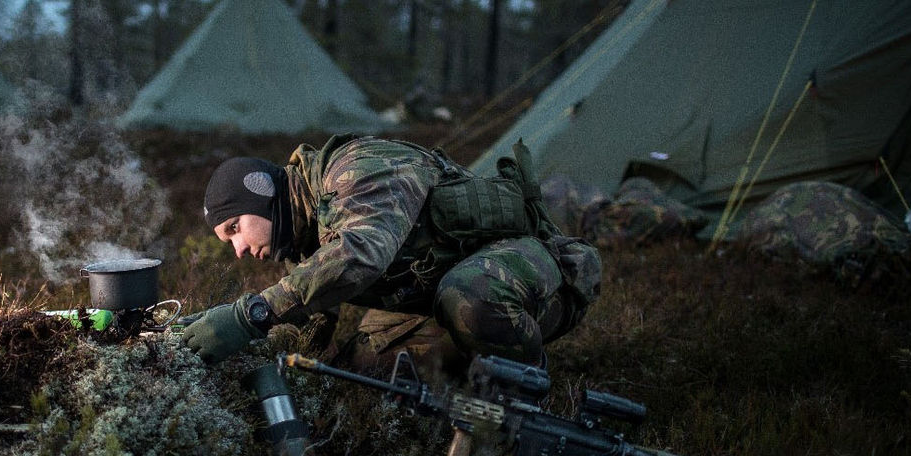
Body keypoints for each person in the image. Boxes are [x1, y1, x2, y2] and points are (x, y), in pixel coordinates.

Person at [181, 134, 601, 374]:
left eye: (234, 228)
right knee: (360, 373)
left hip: (534, 278)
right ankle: (475, 377)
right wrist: (220, 344)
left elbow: (360, 253)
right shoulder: (301, 235)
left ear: (262, 193)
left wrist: (251, 314)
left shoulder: (357, 168)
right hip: (439, 296)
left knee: (469, 298)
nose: (237, 249)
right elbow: (305, 327)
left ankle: (531, 386)